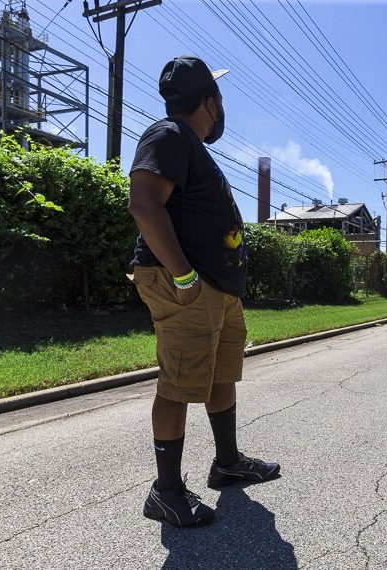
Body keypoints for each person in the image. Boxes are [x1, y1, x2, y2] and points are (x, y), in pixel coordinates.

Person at [128, 56, 279, 528]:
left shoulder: (190, 145)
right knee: (179, 384)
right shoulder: (168, 135)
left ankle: (227, 462)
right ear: (210, 103)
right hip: (188, 287)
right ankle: (166, 492)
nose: (223, 108)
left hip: (217, 291)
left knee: (218, 375)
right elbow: (144, 204)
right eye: (221, 99)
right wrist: (184, 277)